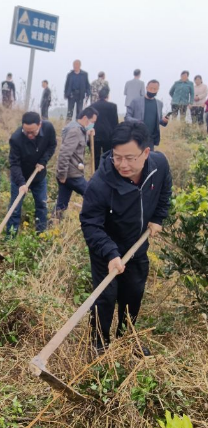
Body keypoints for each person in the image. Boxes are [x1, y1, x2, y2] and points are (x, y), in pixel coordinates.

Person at [80, 121, 172, 355]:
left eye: (130, 158)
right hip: (106, 247)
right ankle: (99, 345)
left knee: (133, 293)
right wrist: (111, 253)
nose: (123, 164)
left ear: (146, 152)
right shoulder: (100, 183)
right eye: (117, 157)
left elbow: (165, 189)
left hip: (137, 244)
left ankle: (127, 340)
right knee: (105, 296)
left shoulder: (159, 165)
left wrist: (158, 217)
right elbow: (90, 224)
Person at [6, 112, 57, 235]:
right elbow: (14, 163)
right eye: (26, 132)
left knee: (42, 205)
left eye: (32, 132)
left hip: (38, 176)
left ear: (40, 125)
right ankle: (10, 237)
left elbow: (52, 145)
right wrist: (21, 183)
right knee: (15, 208)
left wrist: (43, 161)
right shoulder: (16, 139)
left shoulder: (48, 128)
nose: (29, 135)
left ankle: (41, 234)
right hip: (20, 177)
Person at [54, 107, 98, 219]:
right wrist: (62, 174)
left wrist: (88, 134)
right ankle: (91, 219)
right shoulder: (75, 131)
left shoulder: (79, 129)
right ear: (85, 118)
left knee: (62, 204)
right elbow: (64, 153)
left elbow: (78, 144)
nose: (92, 125)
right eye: (92, 122)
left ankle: (55, 222)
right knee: (92, 195)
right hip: (72, 174)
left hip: (70, 174)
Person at [125, 80, 170, 151]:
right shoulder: (135, 101)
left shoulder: (159, 104)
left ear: (158, 89)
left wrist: (164, 121)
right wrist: (138, 121)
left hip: (150, 139)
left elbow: (158, 120)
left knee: (149, 157)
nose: (152, 91)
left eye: (155, 89)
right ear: (146, 88)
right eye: (150, 88)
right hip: (136, 137)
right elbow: (127, 117)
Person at [90, 87, 119, 169]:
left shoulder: (93, 106)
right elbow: (115, 122)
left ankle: (97, 172)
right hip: (109, 135)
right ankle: (107, 171)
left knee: (96, 157)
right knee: (108, 156)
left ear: (98, 96)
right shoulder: (112, 106)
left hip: (95, 134)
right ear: (108, 96)